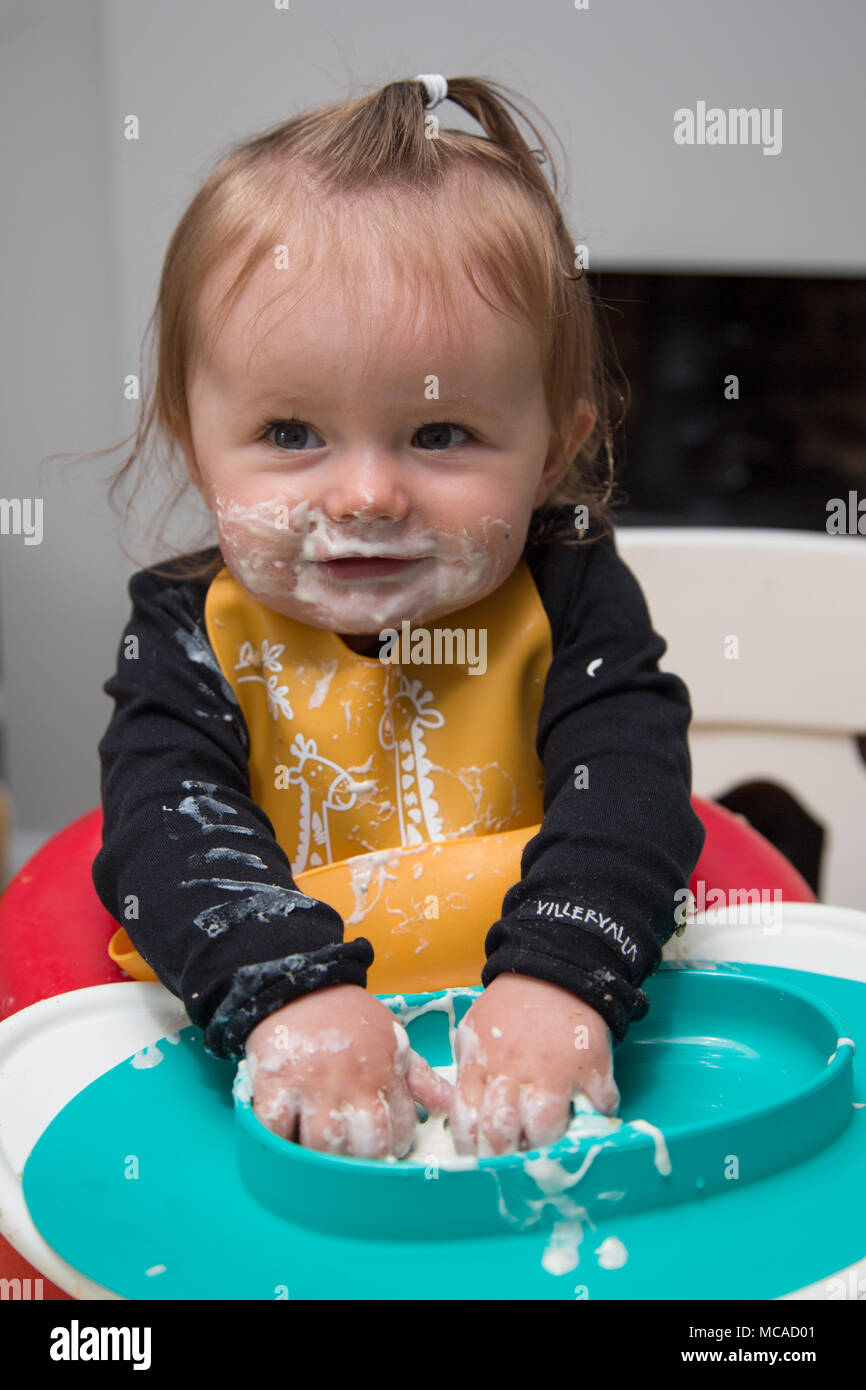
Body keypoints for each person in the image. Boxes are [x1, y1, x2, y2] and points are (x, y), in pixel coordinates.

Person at [92, 74, 706, 1161]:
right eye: (290, 433)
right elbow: (162, 819)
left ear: (550, 453)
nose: (367, 495)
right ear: (196, 443)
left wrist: (561, 976)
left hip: (525, 963)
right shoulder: (187, 627)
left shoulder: (567, 590)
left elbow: (628, 787)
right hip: (270, 983)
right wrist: (285, 995)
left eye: (438, 435)